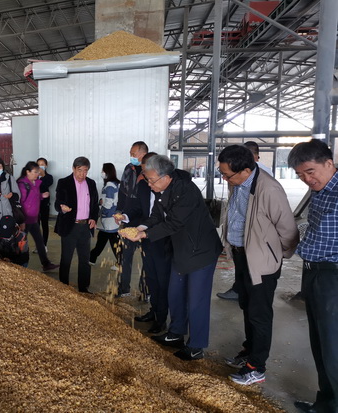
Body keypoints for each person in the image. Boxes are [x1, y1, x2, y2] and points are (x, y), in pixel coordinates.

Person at [120, 155, 222, 361]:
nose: (149, 184)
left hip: (200, 251)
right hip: (181, 250)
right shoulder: (163, 190)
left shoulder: (186, 191)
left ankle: (196, 346)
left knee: (197, 300)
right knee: (175, 293)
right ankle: (176, 333)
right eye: (148, 180)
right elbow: (156, 216)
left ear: (165, 177)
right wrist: (139, 228)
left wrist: (144, 235)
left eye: (151, 180)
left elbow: (174, 223)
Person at [218, 145, 299, 385]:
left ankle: (257, 367)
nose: (225, 179)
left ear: (245, 170)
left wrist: (273, 255)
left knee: (259, 313)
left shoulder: (269, 189)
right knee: (247, 306)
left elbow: (288, 229)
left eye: (227, 175)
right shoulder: (238, 183)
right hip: (242, 255)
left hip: (261, 261)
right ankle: (249, 351)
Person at [287, 139, 338, 413]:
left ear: (329, 163)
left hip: (333, 277)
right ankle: (327, 403)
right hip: (314, 273)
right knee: (320, 343)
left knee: (333, 346)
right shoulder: (320, 191)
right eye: (300, 175)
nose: (307, 179)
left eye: (310, 171)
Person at [118, 153, 172, 335]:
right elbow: (137, 207)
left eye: (147, 173)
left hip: (164, 239)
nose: (145, 177)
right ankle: (154, 310)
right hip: (146, 237)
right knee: (151, 278)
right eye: (143, 172)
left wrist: (145, 230)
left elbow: (168, 219)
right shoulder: (143, 185)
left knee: (163, 280)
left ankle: (161, 318)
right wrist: (125, 217)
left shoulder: (169, 187)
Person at [218, 140, 275, 301]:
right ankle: (239, 290)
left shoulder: (264, 181)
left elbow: (282, 224)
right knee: (242, 274)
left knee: (257, 296)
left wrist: (275, 251)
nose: (225, 178)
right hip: (238, 241)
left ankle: (242, 291)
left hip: (255, 244)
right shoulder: (236, 178)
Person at [55, 156, 99, 293]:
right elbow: (57, 203)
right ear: (73, 169)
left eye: (85, 171)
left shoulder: (91, 183)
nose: (82, 174)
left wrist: (93, 218)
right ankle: (63, 287)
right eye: (79, 170)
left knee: (85, 259)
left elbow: (94, 205)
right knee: (66, 258)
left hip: (85, 226)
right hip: (70, 226)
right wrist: (62, 208)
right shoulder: (64, 182)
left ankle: (83, 288)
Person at [115, 141, 149, 297]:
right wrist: (119, 212)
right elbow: (122, 192)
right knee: (125, 255)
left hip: (147, 220)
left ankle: (146, 290)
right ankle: (123, 288)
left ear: (143, 154)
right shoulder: (129, 169)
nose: (131, 156)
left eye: (134, 154)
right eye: (130, 153)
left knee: (147, 257)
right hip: (129, 218)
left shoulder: (151, 171)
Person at [17, 161, 58, 271]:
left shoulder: (34, 183)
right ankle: (19, 264)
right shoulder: (22, 185)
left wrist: (41, 195)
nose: (37, 174)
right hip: (25, 219)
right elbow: (21, 203)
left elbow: (33, 197)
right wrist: (21, 221)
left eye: (38, 172)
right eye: (35, 172)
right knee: (21, 243)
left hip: (33, 218)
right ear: (28, 172)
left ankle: (46, 264)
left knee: (39, 241)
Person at [89, 163, 120, 269]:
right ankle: (92, 257)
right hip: (112, 217)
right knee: (103, 238)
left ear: (107, 172)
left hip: (109, 218)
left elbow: (109, 203)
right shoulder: (116, 184)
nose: (102, 173)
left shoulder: (110, 185)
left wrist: (102, 212)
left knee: (113, 241)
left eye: (103, 171)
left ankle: (121, 262)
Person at [37, 157, 53, 250]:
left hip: (44, 204)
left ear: (46, 166)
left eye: (42, 164)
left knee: (44, 224)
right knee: (36, 225)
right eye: (38, 164)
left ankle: (44, 245)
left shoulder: (49, 177)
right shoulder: (33, 176)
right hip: (35, 204)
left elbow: (45, 185)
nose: (40, 166)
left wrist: (42, 175)